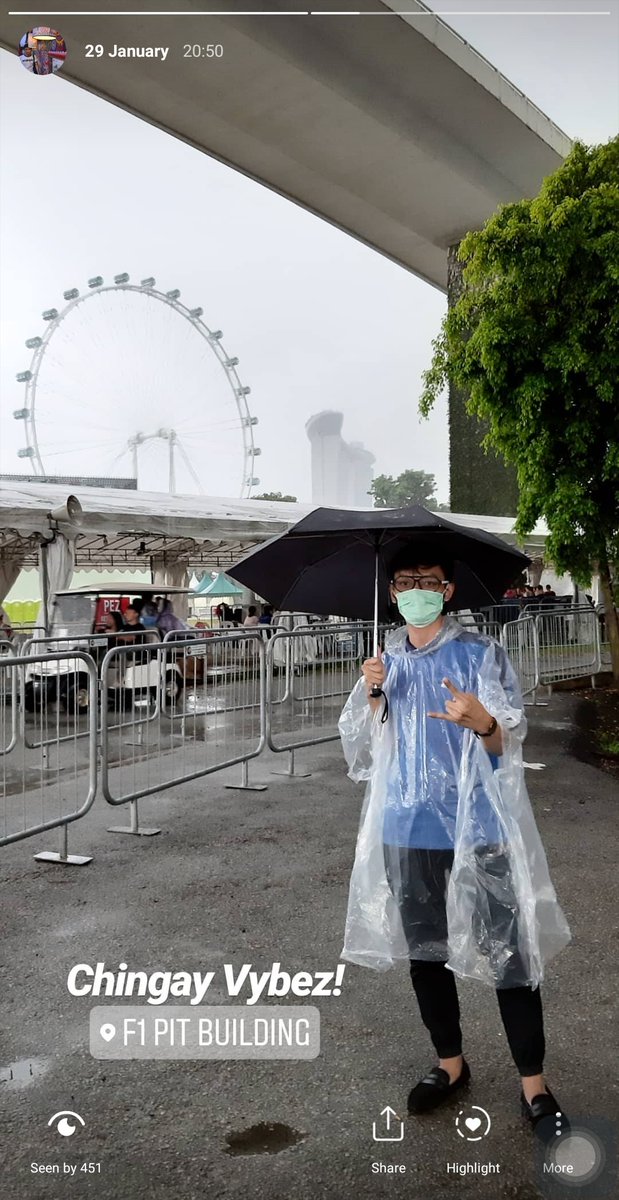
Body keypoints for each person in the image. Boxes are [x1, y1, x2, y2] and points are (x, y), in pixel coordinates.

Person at [338, 543, 570, 1135]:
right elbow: (363, 754)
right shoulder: (383, 661)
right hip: (404, 831)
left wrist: (484, 722)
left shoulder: (480, 654)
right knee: (426, 954)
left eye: (429, 581)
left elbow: (507, 741)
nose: (416, 589)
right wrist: (372, 698)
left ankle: (533, 1084)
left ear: (448, 591)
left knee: (509, 953)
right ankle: (450, 1063)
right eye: (405, 581)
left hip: (478, 828)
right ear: (391, 593)